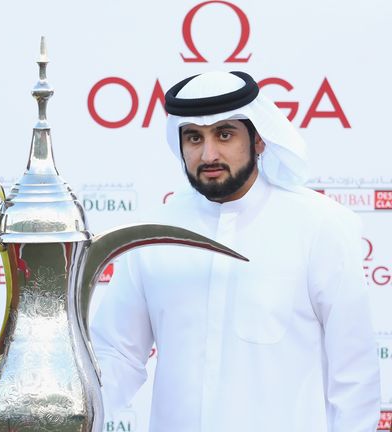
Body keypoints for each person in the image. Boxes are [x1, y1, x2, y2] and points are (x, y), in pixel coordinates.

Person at [91, 70, 380, 431]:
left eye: (224, 134)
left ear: (258, 139)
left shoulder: (320, 226)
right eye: (194, 137)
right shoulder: (154, 233)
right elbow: (116, 355)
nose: (208, 153)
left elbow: (354, 378)